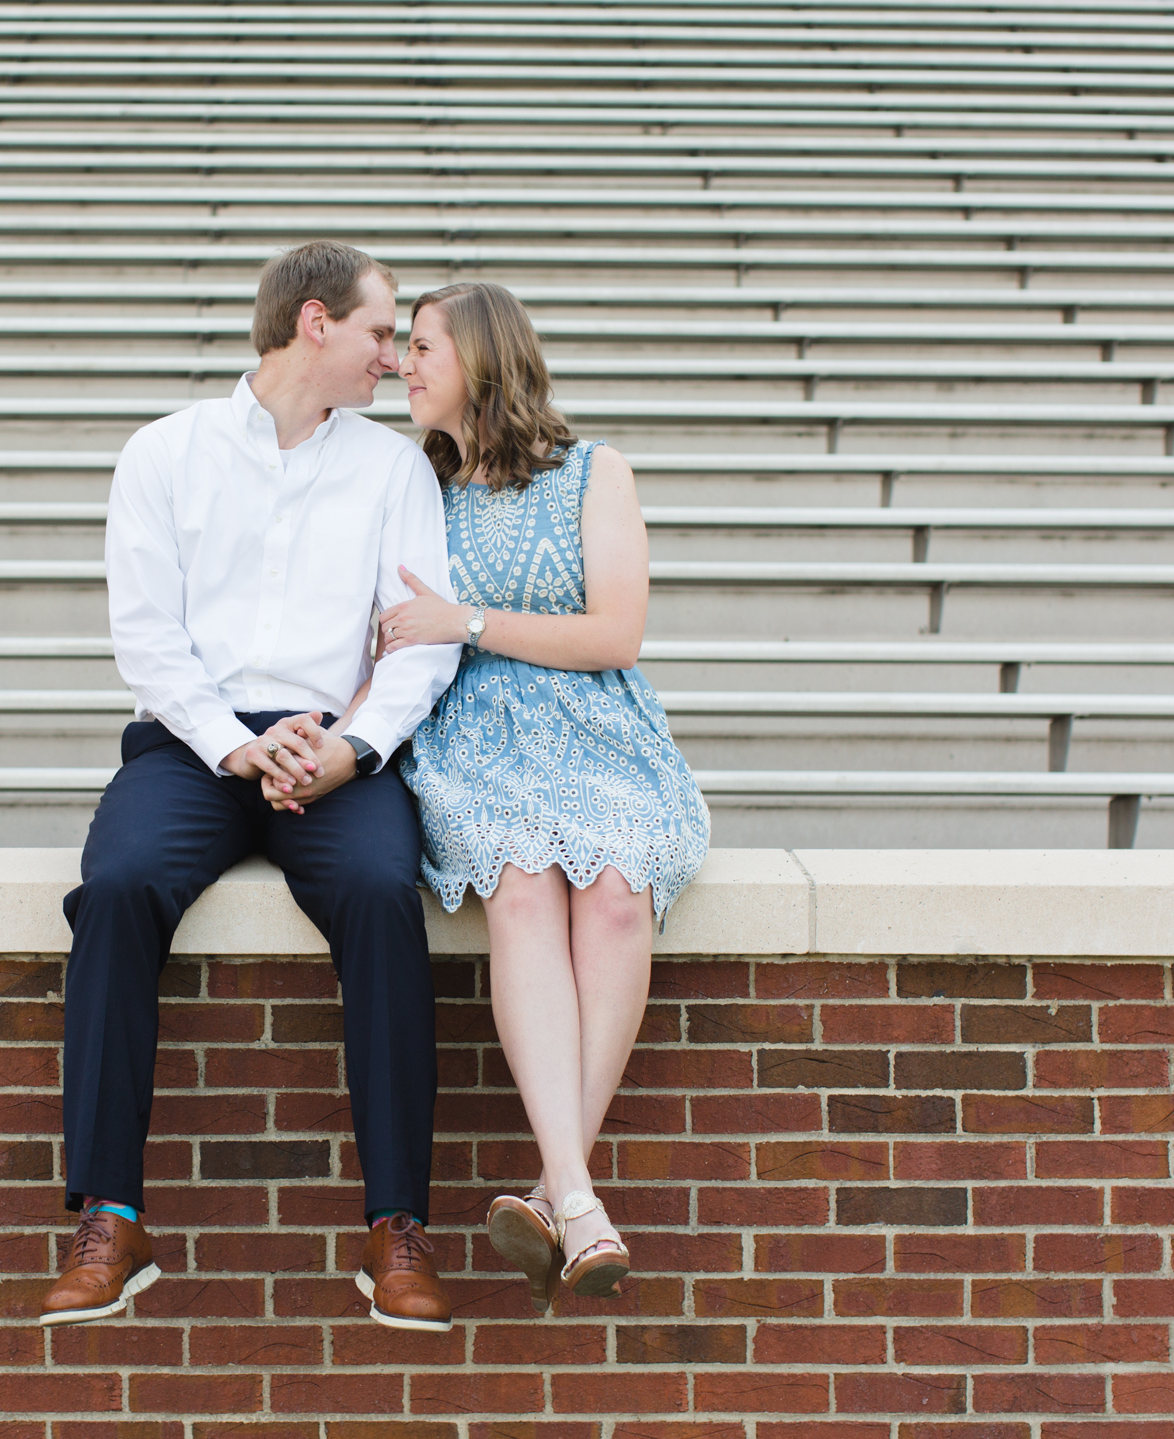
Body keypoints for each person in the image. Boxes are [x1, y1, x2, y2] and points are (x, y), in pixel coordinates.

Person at [42, 241, 464, 1333]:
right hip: (192, 742)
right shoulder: (164, 454)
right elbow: (148, 637)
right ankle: (109, 1213)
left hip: (336, 746)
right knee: (122, 882)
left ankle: (396, 1225)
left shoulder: (394, 471)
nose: (391, 358)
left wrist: (354, 749)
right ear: (315, 325)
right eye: (380, 333)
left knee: (381, 891)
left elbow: (419, 644)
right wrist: (235, 747)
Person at [332, 280, 710, 1311]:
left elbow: (612, 635)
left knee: (621, 891)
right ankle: (577, 1197)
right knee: (525, 884)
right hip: (474, 738)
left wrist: (465, 618)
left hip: (599, 729)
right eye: (402, 347)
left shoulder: (595, 472)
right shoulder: (417, 488)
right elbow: (387, 634)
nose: (402, 365)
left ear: (484, 357)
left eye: (421, 347)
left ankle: (558, 1190)